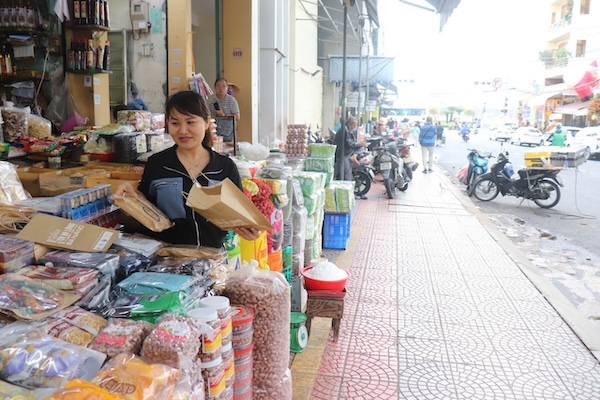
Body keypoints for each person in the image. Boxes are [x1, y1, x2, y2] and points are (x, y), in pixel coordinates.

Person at [115, 90, 260, 248]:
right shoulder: (157, 164)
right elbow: (147, 210)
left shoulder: (224, 167)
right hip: (168, 260)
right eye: (175, 123)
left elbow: (238, 216)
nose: (183, 130)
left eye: (190, 122)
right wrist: (132, 196)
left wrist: (249, 229)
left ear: (206, 123)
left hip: (212, 260)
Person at [208, 77, 240, 143]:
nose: (221, 88)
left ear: (227, 88)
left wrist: (223, 115)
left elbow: (237, 117)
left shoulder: (231, 100)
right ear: (215, 88)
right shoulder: (212, 101)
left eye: (223, 86)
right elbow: (210, 117)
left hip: (229, 134)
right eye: (218, 86)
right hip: (216, 134)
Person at [334, 116, 365, 182]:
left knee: (361, 147)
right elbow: (349, 144)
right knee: (347, 172)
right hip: (344, 153)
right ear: (349, 124)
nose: (355, 127)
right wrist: (359, 144)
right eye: (354, 125)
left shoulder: (346, 130)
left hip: (346, 151)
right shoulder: (345, 130)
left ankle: (354, 156)